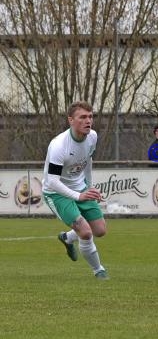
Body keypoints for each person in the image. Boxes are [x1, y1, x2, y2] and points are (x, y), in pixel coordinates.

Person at [42, 101, 109, 280]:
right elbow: (52, 181)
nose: (88, 121)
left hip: (81, 188)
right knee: (86, 232)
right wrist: (79, 195)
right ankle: (99, 271)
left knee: (100, 230)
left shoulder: (92, 137)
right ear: (71, 120)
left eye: (90, 117)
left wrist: (90, 186)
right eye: (83, 117)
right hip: (56, 193)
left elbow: (88, 161)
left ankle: (67, 237)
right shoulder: (58, 146)